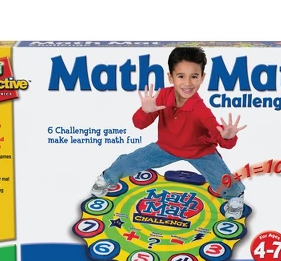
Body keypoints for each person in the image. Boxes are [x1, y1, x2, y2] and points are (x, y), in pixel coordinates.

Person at [91, 47, 247, 219]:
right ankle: (107, 178)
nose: (187, 83)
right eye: (181, 76)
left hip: (199, 152)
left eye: (194, 76)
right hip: (165, 147)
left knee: (223, 180)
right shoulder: (162, 97)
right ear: (170, 77)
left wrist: (227, 137)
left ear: (202, 78)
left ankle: (236, 196)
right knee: (129, 161)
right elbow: (139, 124)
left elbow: (219, 136)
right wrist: (146, 111)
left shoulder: (201, 110)